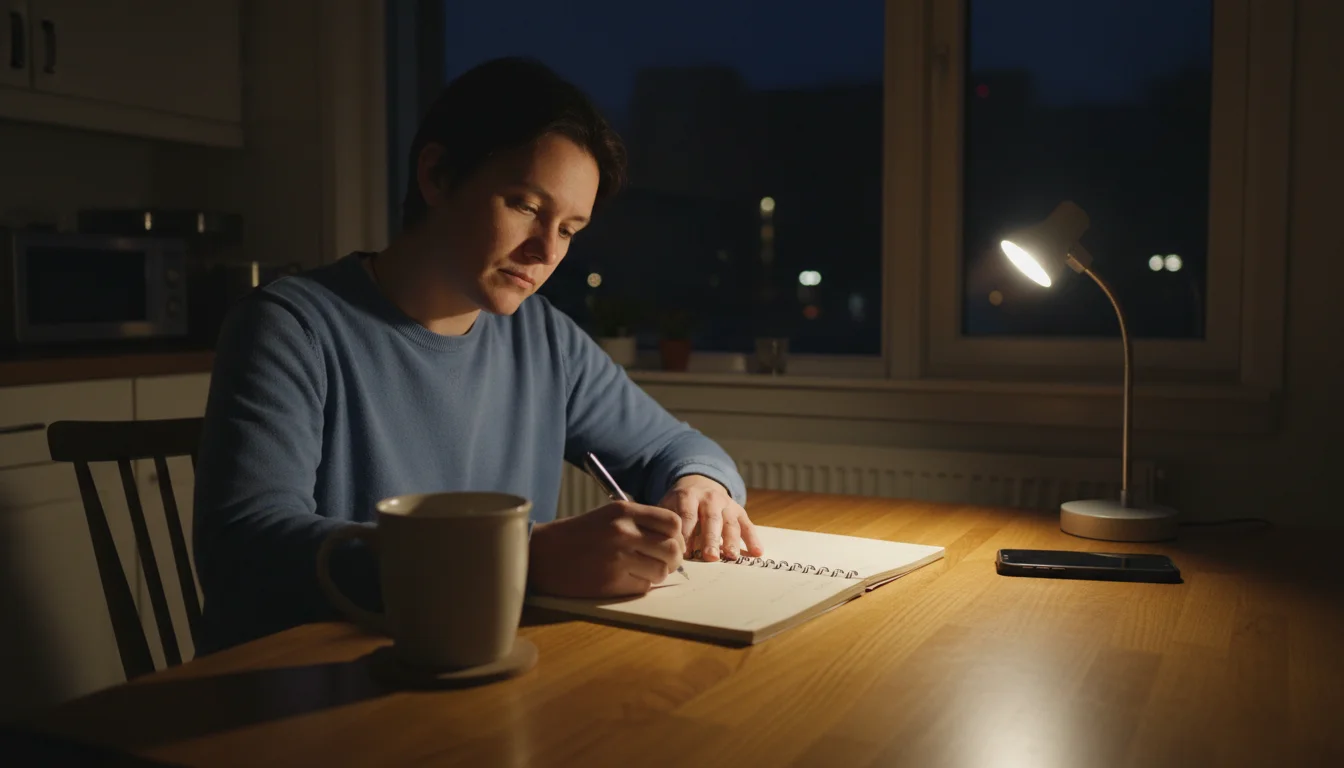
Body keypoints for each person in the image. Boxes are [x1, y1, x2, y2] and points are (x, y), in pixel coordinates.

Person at [192, 57, 763, 653]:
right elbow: (247, 548)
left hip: (478, 672)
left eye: (569, 229)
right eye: (525, 206)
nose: (545, 251)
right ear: (437, 175)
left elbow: (675, 448)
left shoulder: (544, 339)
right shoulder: (290, 327)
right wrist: (522, 558)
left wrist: (703, 487)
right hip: (312, 687)